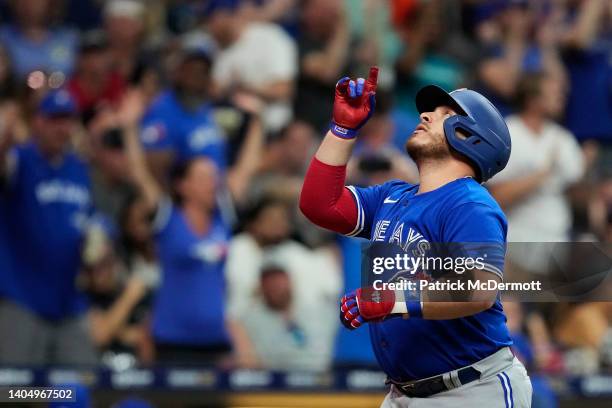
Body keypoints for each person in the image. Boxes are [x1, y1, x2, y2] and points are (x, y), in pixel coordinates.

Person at [299, 67, 532, 406]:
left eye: (444, 114)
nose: (424, 114)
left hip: (472, 390)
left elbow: (478, 288)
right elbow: (320, 205)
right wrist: (343, 129)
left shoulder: (470, 203)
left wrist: (386, 299)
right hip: (404, 393)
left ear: (471, 137)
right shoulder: (392, 196)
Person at [119, 90, 255, 367]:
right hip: (172, 340)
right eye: (204, 177)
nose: (213, 183)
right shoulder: (167, 217)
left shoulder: (222, 217)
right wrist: (130, 127)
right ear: (183, 184)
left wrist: (256, 121)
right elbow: (138, 172)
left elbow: (247, 169)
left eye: (214, 176)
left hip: (215, 340)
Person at [0, 89, 96, 365]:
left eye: (67, 120)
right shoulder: (20, 160)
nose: (61, 127)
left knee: (82, 386)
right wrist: (5, 131)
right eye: (54, 119)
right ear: (37, 122)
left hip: (68, 301)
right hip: (21, 298)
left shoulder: (78, 169)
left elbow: (89, 221)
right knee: (14, 392)